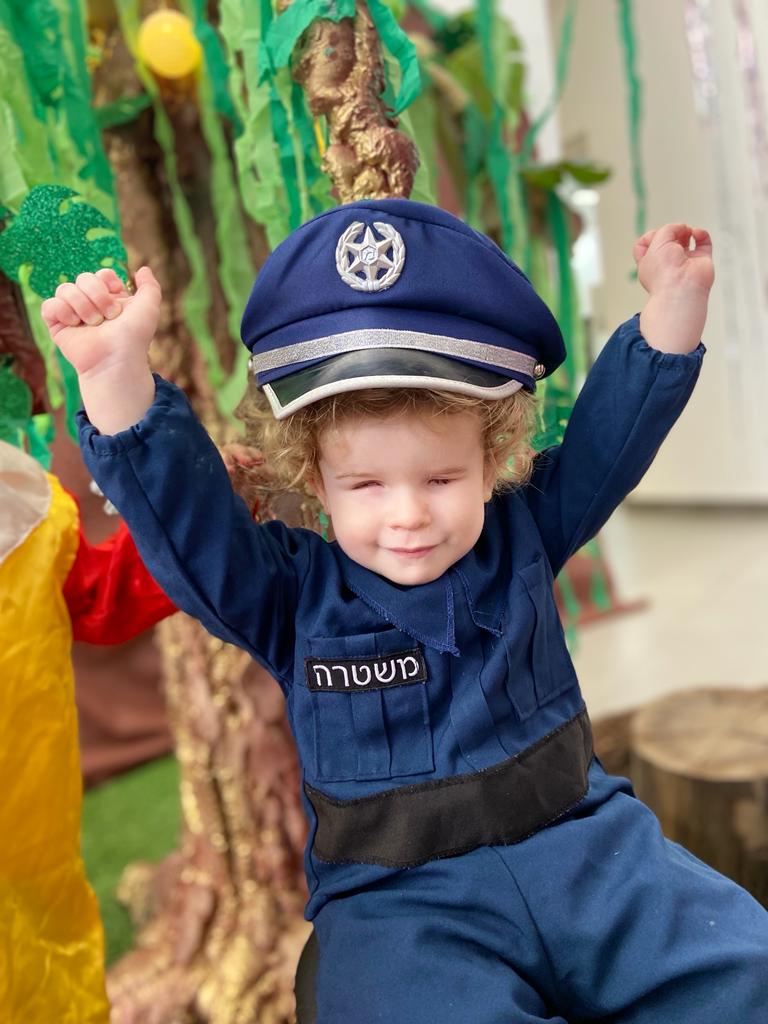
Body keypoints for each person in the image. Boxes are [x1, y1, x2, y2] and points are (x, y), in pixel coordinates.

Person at [44, 200, 768, 1023]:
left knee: (745, 974)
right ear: (316, 483)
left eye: (441, 479)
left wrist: (674, 304)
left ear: (493, 461)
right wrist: (115, 377)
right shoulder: (288, 595)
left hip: (589, 851)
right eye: (366, 484)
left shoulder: (527, 529)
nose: (408, 516)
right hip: (399, 906)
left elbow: (613, 436)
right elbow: (192, 532)